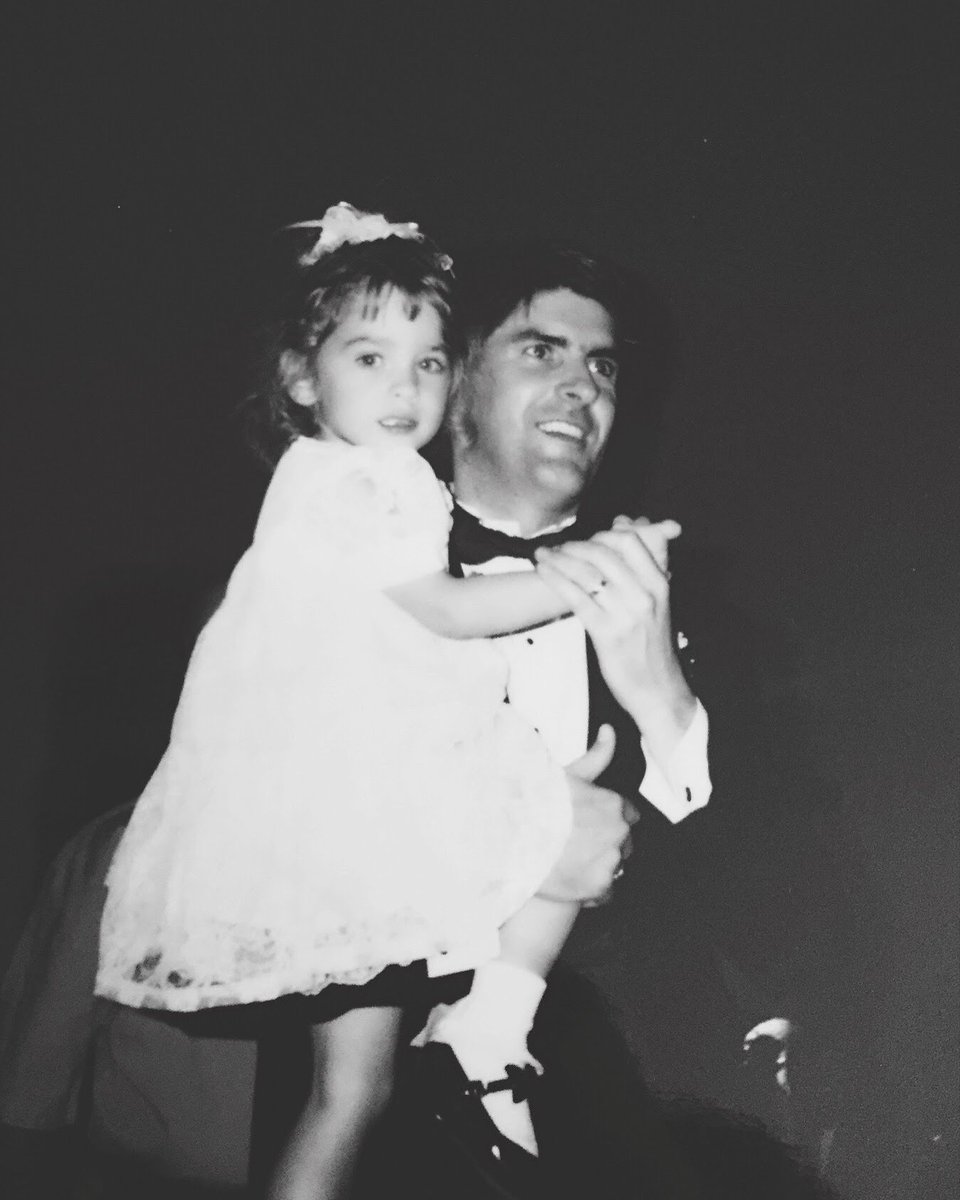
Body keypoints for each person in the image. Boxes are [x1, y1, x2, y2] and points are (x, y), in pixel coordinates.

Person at [0, 230, 706, 1198]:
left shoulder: (682, 594)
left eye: (604, 365)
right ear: (462, 378)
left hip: (574, 1114)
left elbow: (759, 890)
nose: (581, 385)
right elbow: (176, 825)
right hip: (290, 1096)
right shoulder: (319, 564)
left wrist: (663, 702)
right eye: (542, 349)